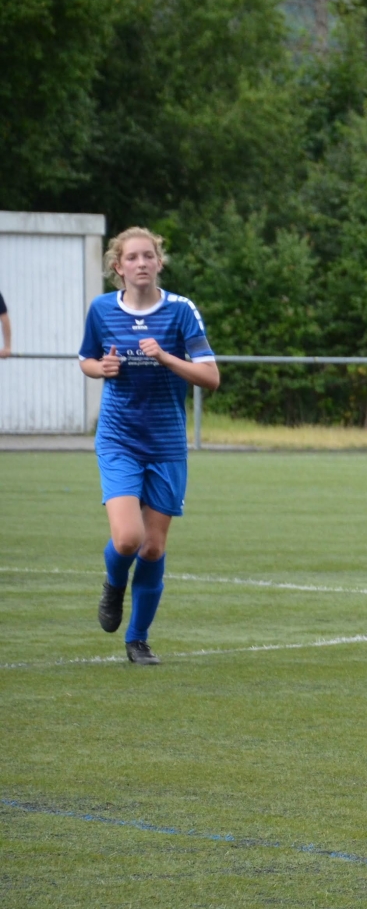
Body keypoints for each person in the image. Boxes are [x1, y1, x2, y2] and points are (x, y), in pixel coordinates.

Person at [79, 228, 220, 665]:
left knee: (153, 548)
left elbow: (210, 377)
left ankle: (137, 640)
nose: (141, 263)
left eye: (148, 256)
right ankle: (114, 583)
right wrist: (100, 368)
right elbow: (86, 359)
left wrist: (165, 357)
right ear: (117, 267)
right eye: (132, 257)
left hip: (166, 442)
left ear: (159, 262)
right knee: (128, 539)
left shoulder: (180, 311)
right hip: (119, 438)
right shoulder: (102, 309)